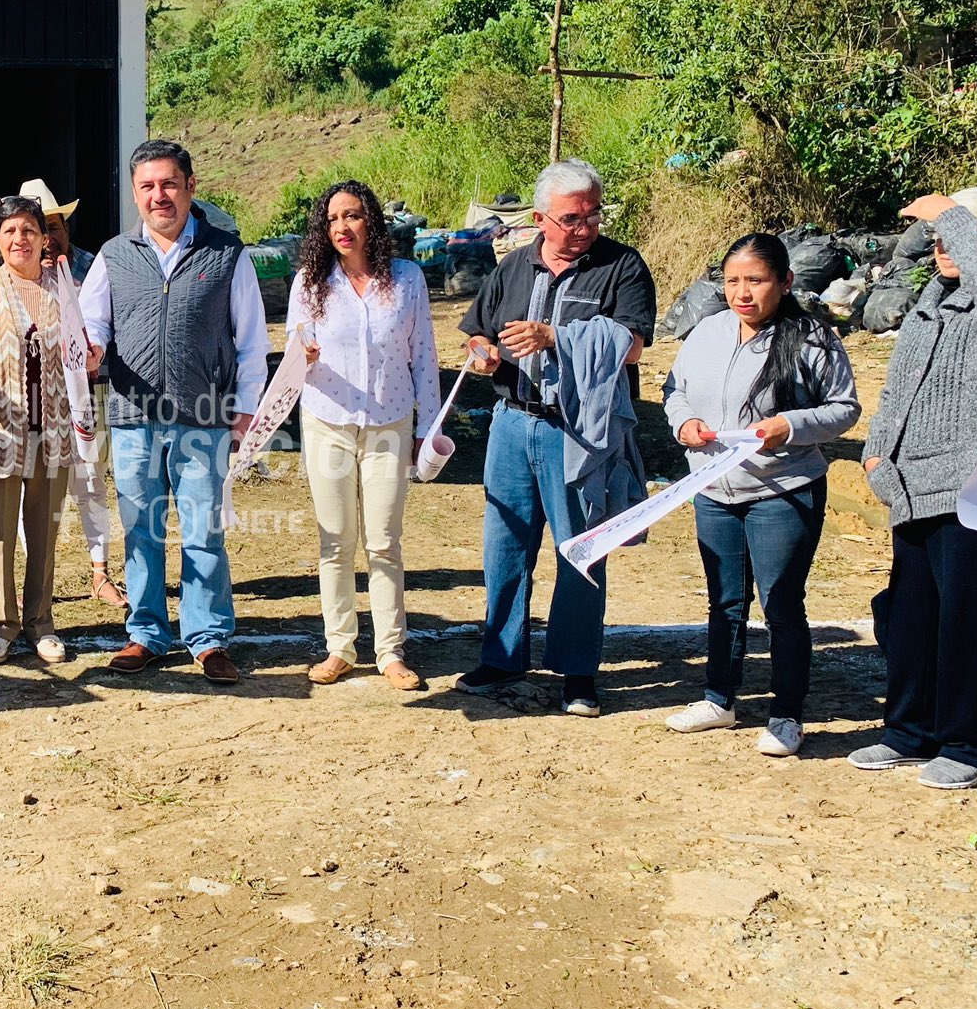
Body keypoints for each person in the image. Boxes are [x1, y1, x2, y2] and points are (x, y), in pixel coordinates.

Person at [856, 188, 977, 789]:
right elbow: (898, 386)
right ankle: (909, 731)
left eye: (955, 232)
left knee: (966, 621)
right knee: (912, 617)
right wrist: (875, 449)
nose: (940, 244)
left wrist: (950, 212)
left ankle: (968, 745)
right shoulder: (930, 301)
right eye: (939, 233)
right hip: (911, 481)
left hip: (972, 487)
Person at [455, 158, 656, 717]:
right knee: (505, 543)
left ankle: (577, 671)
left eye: (592, 214)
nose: (584, 227)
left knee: (581, 549)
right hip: (513, 421)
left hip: (579, 428)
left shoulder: (621, 267)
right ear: (540, 218)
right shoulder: (513, 267)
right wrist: (482, 354)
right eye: (571, 218)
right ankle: (502, 656)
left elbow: (634, 345)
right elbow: (476, 330)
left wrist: (556, 338)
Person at [662, 233, 861, 755]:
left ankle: (787, 713)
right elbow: (674, 390)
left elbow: (844, 408)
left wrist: (789, 426)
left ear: (785, 281)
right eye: (732, 281)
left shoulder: (812, 338)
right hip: (713, 489)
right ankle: (719, 699)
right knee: (724, 602)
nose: (742, 292)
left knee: (781, 604)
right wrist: (684, 424)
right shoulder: (706, 331)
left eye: (756, 280)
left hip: (783, 490)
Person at [81, 141, 266, 683]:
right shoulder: (114, 256)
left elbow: (252, 340)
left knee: (203, 530)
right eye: (147, 186)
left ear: (190, 185)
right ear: (134, 193)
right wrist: (90, 350)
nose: (158, 196)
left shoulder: (227, 254)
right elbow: (94, 327)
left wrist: (247, 407)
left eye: (168, 184)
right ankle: (146, 634)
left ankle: (208, 639)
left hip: (204, 414)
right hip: (134, 414)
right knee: (141, 528)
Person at [286, 179, 438, 691]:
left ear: (370, 219)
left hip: (391, 422)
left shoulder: (408, 280)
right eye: (331, 220)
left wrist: (429, 427)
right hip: (327, 421)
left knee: (384, 541)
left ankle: (390, 651)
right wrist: (299, 358)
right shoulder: (310, 283)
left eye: (351, 216)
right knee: (335, 541)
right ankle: (339, 648)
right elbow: (292, 357)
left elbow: (425, 359)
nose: (341, 228)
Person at [0, 195, 78, 664]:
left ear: (44, 239)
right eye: (10, 232)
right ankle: (0, 623)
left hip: (55, 429)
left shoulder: (66, 287)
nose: (19, 239)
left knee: (45, 529)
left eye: (29, 230)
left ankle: (41, 621)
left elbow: (86, 348)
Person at [23, 176, 123, 609]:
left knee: (90, 481)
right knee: (33, 486)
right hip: (33, 397)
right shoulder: (14, 275)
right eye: (36, 227)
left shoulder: (92, 267)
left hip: (88, 391)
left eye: (54, 226)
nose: (47, 238)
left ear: (65, 226)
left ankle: (100, 572)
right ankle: (35, 580)